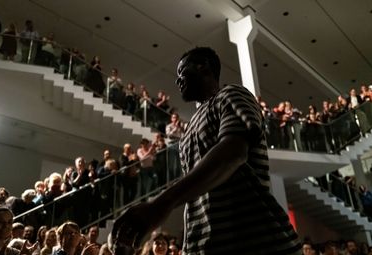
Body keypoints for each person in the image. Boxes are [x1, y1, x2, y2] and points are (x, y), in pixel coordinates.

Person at [111, 47, 301, 254]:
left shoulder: (231, 94)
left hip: (256, 242)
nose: (177, 81)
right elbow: (198, 191)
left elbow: (233, 153)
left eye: (182, 72)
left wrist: (162, 202)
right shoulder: (189, 128)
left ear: (203, 66)